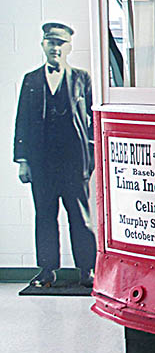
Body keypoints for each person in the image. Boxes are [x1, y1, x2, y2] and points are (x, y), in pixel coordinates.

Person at [14, 23, 96, 288]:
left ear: (69, 47)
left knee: (80, 218)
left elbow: (96, 119)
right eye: (51, 43)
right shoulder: (31, 80)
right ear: (43, 46)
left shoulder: (83, 78)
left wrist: (92, 155)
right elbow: (22, 122)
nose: (55, 48)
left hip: (74, 163)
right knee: (45, 217)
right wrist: (23, 161)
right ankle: (47, 271)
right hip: (42, 164)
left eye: (61, 44)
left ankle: (87, 270)